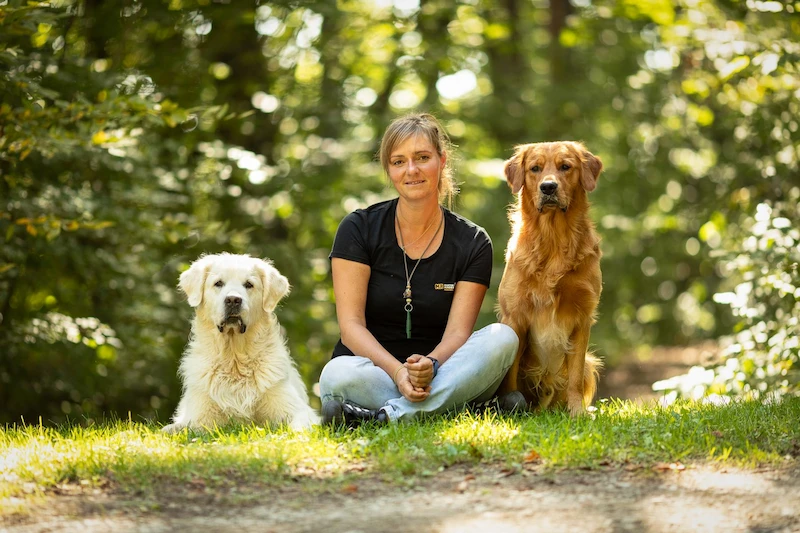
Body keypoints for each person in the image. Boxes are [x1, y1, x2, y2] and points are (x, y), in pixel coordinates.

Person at [318, 112, 524, 426]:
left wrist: (431, 364)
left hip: (443, 373)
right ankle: (465, 410)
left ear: (442, 161)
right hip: (375, 373)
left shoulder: (473, 241)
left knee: (503, 337)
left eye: (422, 157)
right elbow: (351, 328)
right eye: (398, 161)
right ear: (388, 168)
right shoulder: (358, 228)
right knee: (337, 374)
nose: (411, 170)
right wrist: (399, 372)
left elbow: (458, 333)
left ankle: (385, 417)